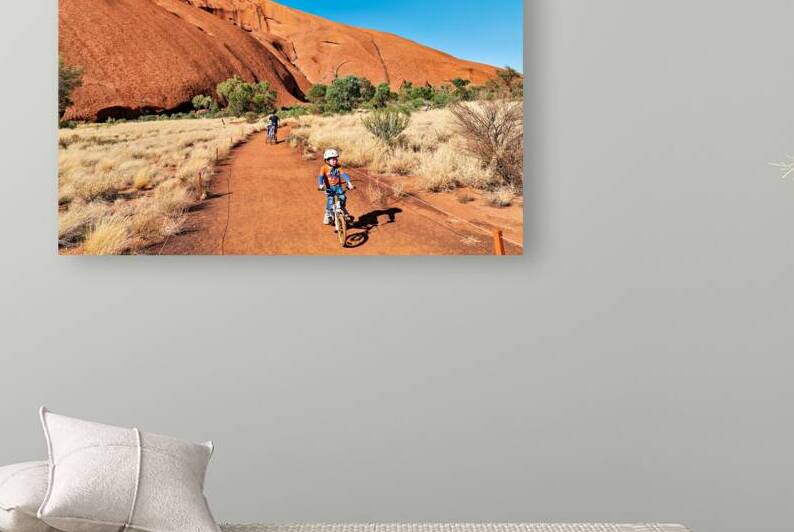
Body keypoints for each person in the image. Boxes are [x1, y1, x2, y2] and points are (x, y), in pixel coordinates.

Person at [318, 148, 354, 225]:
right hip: (329, 188)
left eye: (336, 159)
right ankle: (328, 214)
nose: (335, 161)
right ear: (327, 160)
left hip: (338, 187)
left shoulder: (338, 167)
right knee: (330, 201)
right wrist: (321, 185)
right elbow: (320, 177)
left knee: (343, 197)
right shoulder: (323, 168)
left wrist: (349, 183)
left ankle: (342, 208)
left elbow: (344, 174)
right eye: (332, 159)